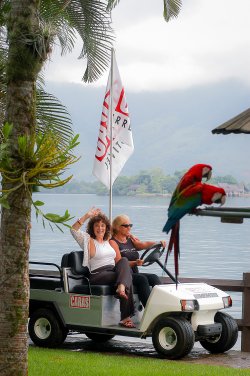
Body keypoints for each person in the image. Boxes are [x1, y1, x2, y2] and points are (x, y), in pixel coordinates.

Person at [70, 207, 135, 328]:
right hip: (97, 275)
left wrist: (132, 238)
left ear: (106, 228)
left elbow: (119, 231)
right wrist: (87, 215)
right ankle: (126, 317)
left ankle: (121, 288)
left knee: (124, 261)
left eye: (103, 226)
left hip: (112, 271)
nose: (100, 228)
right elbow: (73, 230)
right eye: (97, 226)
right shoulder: (87, 240)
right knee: (126, 277)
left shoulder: (108, 241)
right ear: (92, 228)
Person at [110, 214, 167, 308]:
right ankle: (150, 310)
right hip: (124, 275)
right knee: (142, 279)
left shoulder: (130, 239)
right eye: (126, 226)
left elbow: (143, 244)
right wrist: (135, 263)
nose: (129, 228)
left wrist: (158, 243)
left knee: (154, 277)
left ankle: (163, 306)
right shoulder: (113, 242)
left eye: (130, 225)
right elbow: (119, 263)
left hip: (135, 273)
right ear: (117, 227)